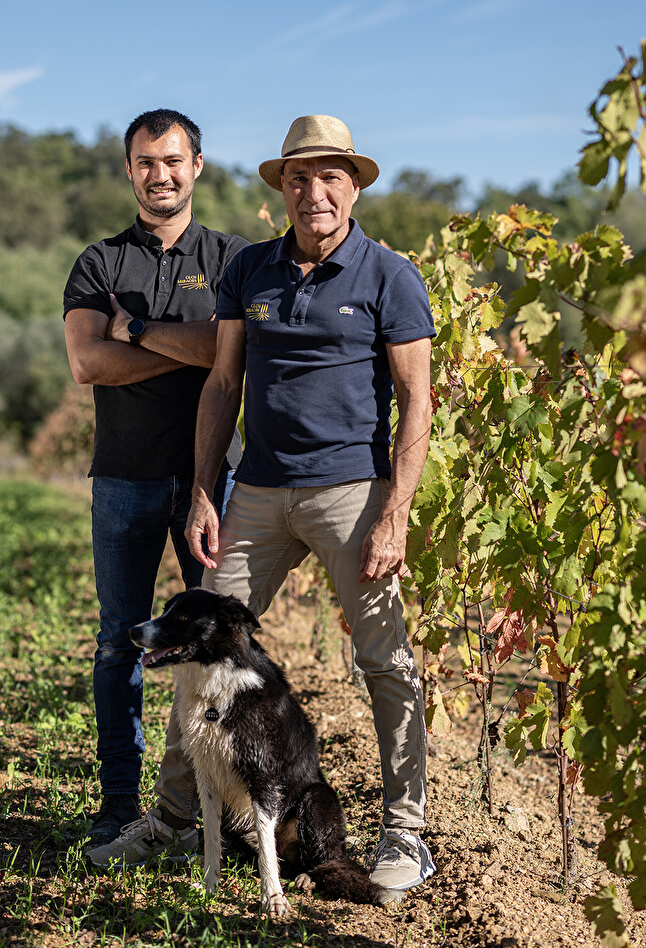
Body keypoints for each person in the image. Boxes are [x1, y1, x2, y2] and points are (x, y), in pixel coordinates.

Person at [88, 114, 436, 902]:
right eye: (300, 178)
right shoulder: (251, 269)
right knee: (196, 645)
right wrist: (205, 492)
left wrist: (396, 512)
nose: (315, 192)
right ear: (283, 188)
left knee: (385, 661)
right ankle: (175, 820)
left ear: (353, 187)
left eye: (331, 177)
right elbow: (222, 383)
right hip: (259, 490)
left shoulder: (390, 275)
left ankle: (405, 834)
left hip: (352, 492)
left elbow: (417, 400)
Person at [63, 108, 248, 844]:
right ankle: (118, 801)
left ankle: (216, 807)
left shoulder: (234, 259)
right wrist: (191, 347)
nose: (159, 174)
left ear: (196, 165)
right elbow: (88, 363)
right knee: (119, 642)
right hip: (124, 478)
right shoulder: (100, 263)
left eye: (173, 161)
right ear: (129, 170)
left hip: (212, 482)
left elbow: (234, 355)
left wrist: (135, 331)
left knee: (222, 640)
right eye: (146, 162)